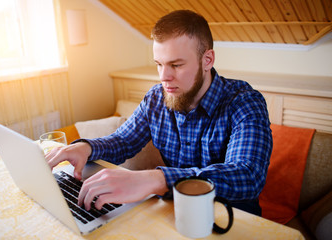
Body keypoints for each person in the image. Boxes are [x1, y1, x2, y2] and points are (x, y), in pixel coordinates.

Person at [47, 10, 273, 216]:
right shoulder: (156, 97)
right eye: (159, 64)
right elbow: (124, 140)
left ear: (207, 60)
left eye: (176, 65)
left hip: (230, 219)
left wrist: (156, 179)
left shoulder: (244, 102)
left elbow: (248, 174)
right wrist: (86, 147)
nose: (164, 77)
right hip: (174, 213)